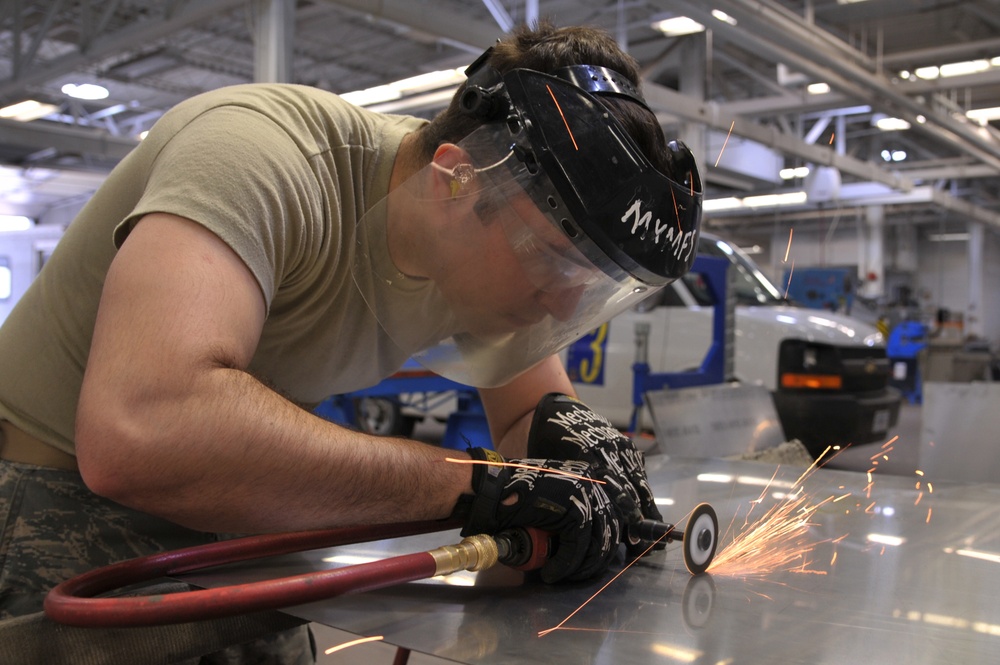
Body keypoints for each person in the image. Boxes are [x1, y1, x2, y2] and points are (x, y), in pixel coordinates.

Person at [0, 20, 701, 662]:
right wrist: (470, 486)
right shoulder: (262, 156)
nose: (564, 301)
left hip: (221, 497)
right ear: (457, 180)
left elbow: (530, 426)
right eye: (552, 259)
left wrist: (583, 475)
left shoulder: (482, 247)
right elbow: (142, 429)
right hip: (53, 488)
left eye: (589, 280)